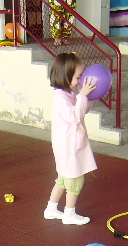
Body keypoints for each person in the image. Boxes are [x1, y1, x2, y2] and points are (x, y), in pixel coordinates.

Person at [44, 52, 97, 225]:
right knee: (75, 180)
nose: (80, 81)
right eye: (78, 77)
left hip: (69, 147)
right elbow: (75, 116)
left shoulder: (69, 94)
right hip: (68, 148)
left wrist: (90, 97)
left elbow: (82, 110)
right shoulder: (60, 98)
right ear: (65, 76)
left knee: (62, 179)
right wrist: (82, 95)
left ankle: (51, 209)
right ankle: (69, 214)